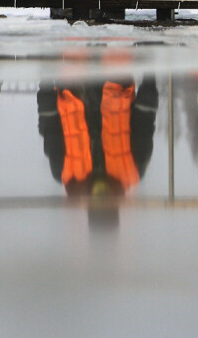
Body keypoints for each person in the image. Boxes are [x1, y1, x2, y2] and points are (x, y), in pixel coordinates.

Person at [37, 73, 157, 230]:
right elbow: (144, 118)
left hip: (73, 85)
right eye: (107, 208)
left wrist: (46, 81)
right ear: (115, 208)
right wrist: (149, 78)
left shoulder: (66, 174)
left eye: (97, 208)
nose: (101, 201)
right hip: (116, 81)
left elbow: (50, 123)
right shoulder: (132, 171)